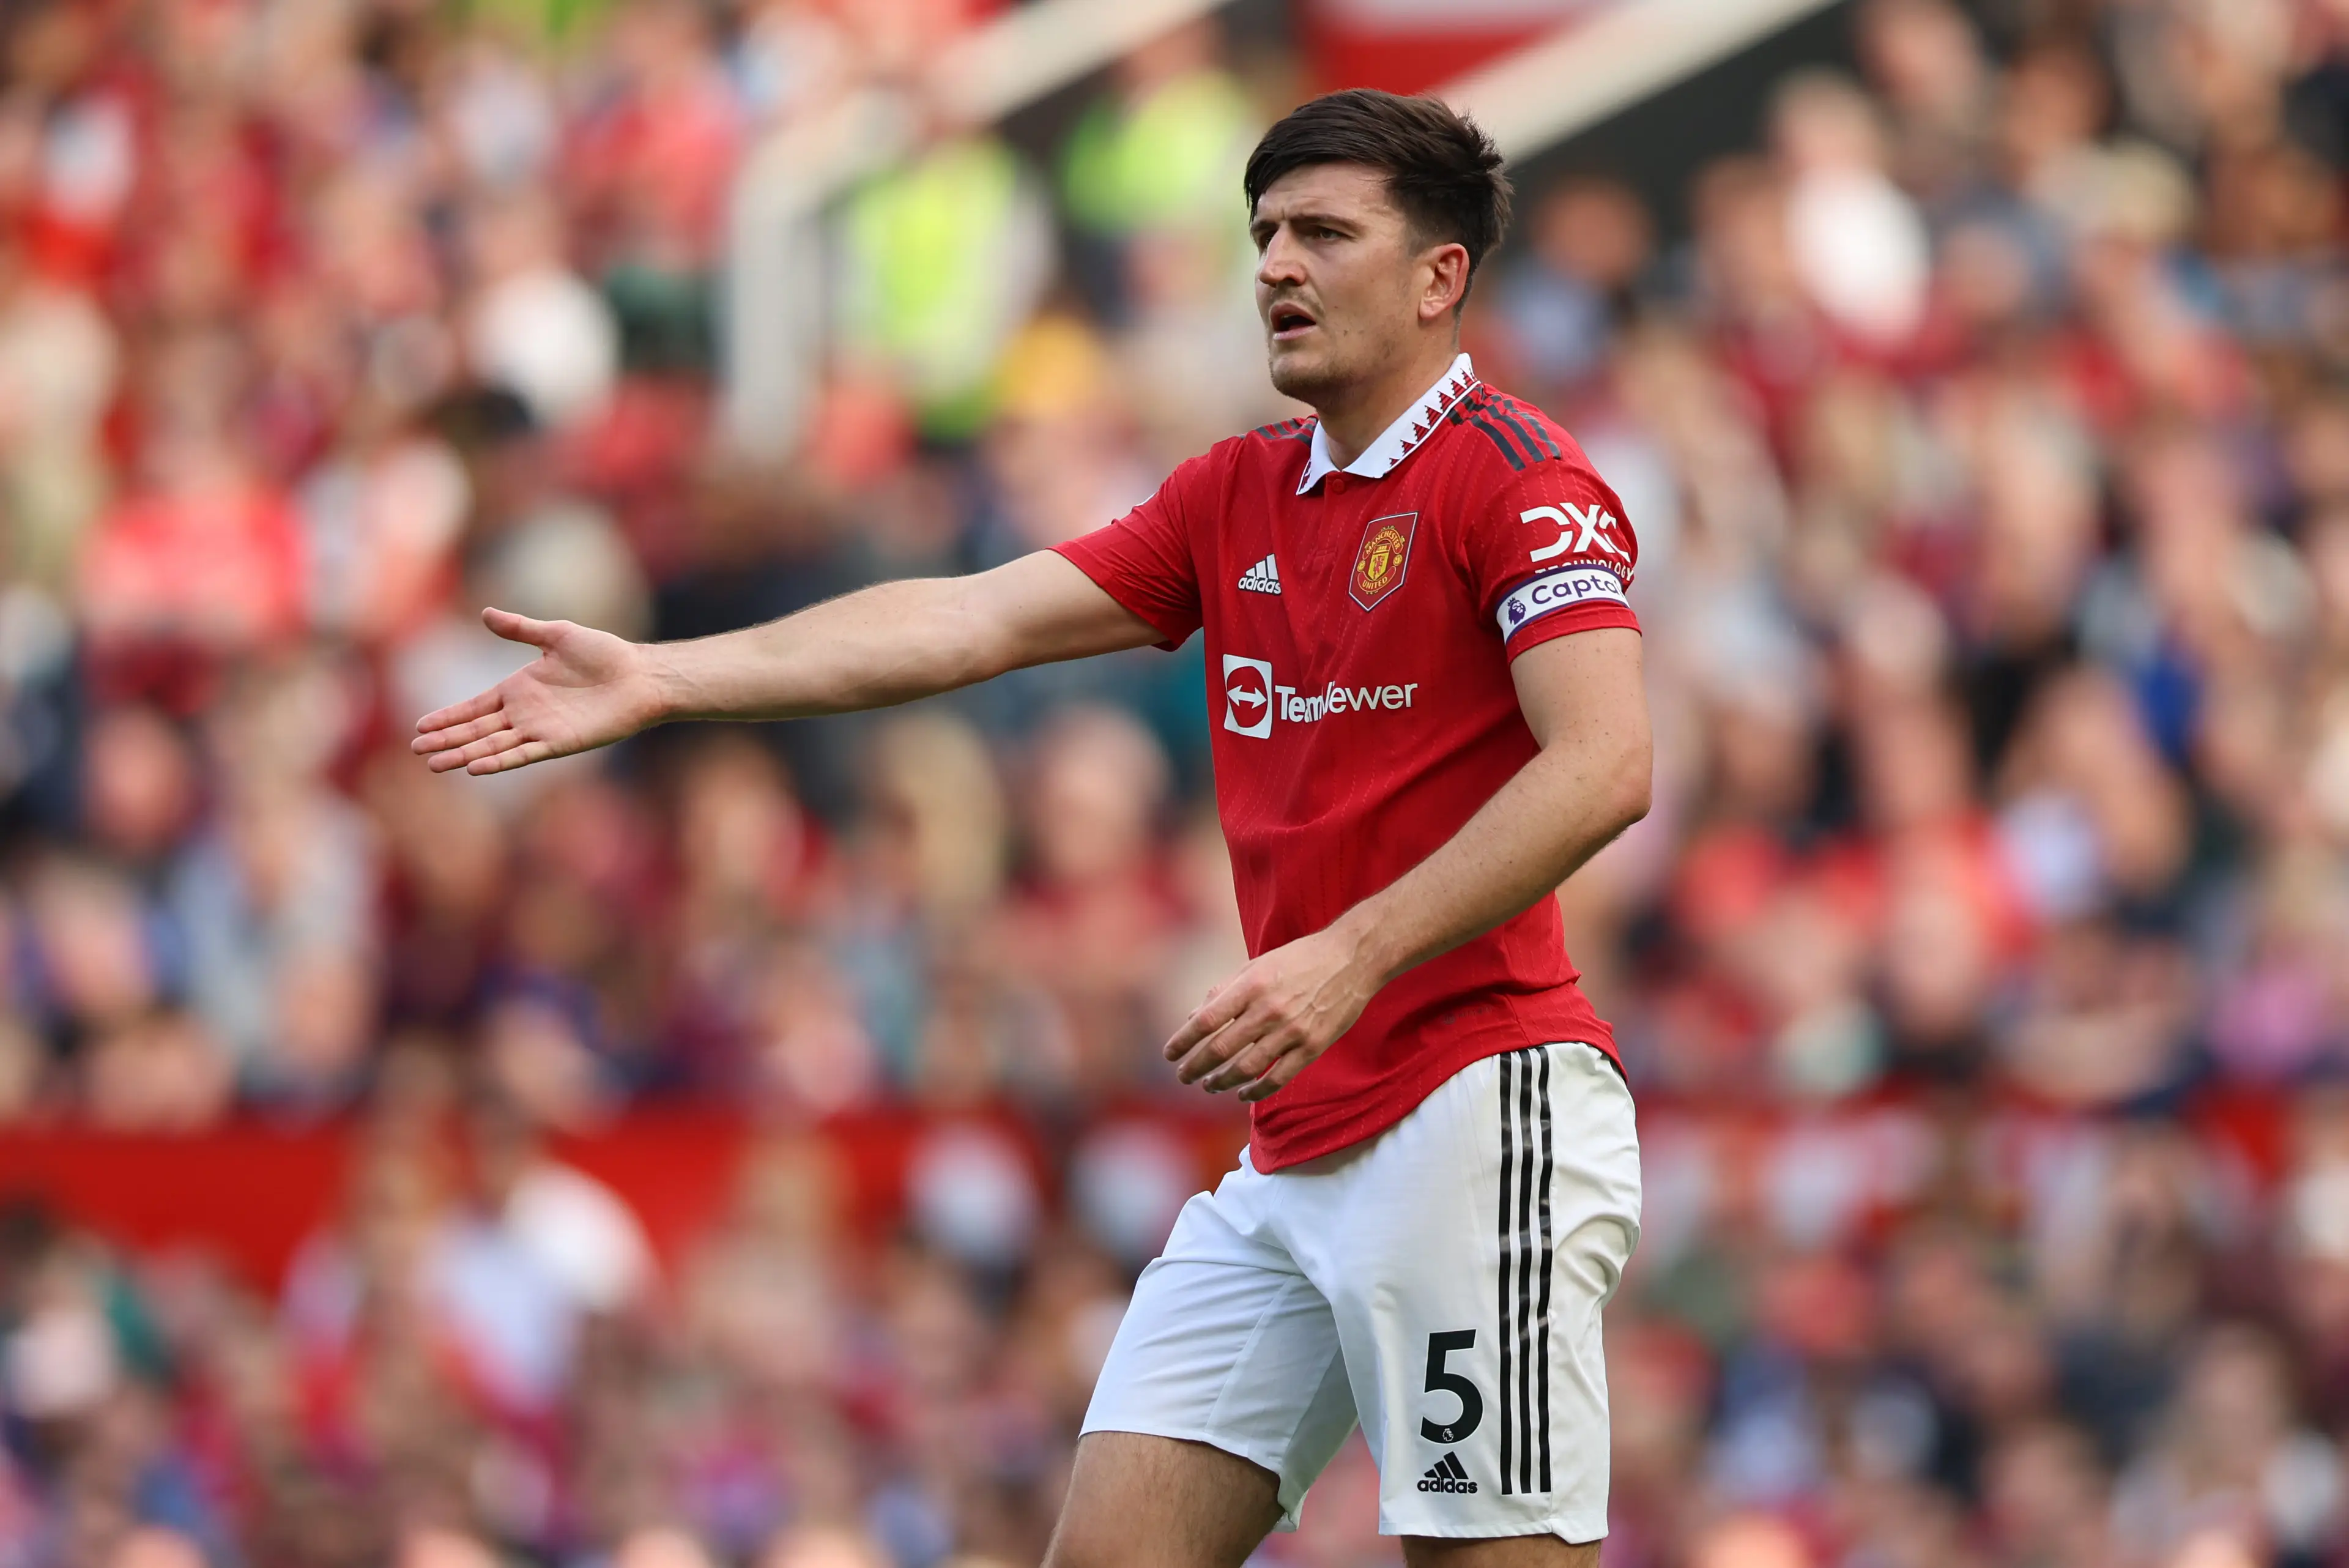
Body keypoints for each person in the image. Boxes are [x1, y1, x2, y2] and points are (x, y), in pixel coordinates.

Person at [414, 90, 1650, 1568]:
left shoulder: (1520, 479)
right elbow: (968, 618)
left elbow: (1607, 764)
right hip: (1297, 1150)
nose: (1278, 265)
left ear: (1441, 277)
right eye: (1265, 234)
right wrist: (669, 677)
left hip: (1476, 1110)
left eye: (1325, 233)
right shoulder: (1236, 492)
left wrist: (1352, 955)